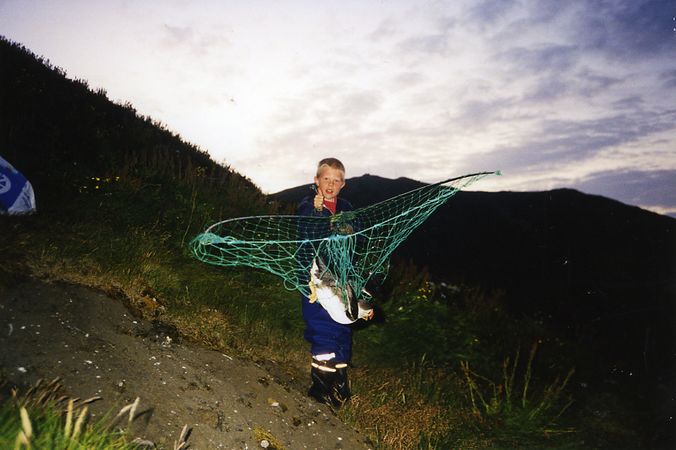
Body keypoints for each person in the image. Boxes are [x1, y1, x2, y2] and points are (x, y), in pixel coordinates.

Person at [297, 157, 361, 407]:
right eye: (326, 179)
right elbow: (308, 232)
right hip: (315, 280)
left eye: (336, 180)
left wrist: (349, 228)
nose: (331, 184)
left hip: (340, 277)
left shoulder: (346, 207)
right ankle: (320, 386)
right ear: (317, 180)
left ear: (343, 184)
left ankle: (339, 380)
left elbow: (356, 233)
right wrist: (318, 212)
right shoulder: (308, 205)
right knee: (323, 326)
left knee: (342, 326)